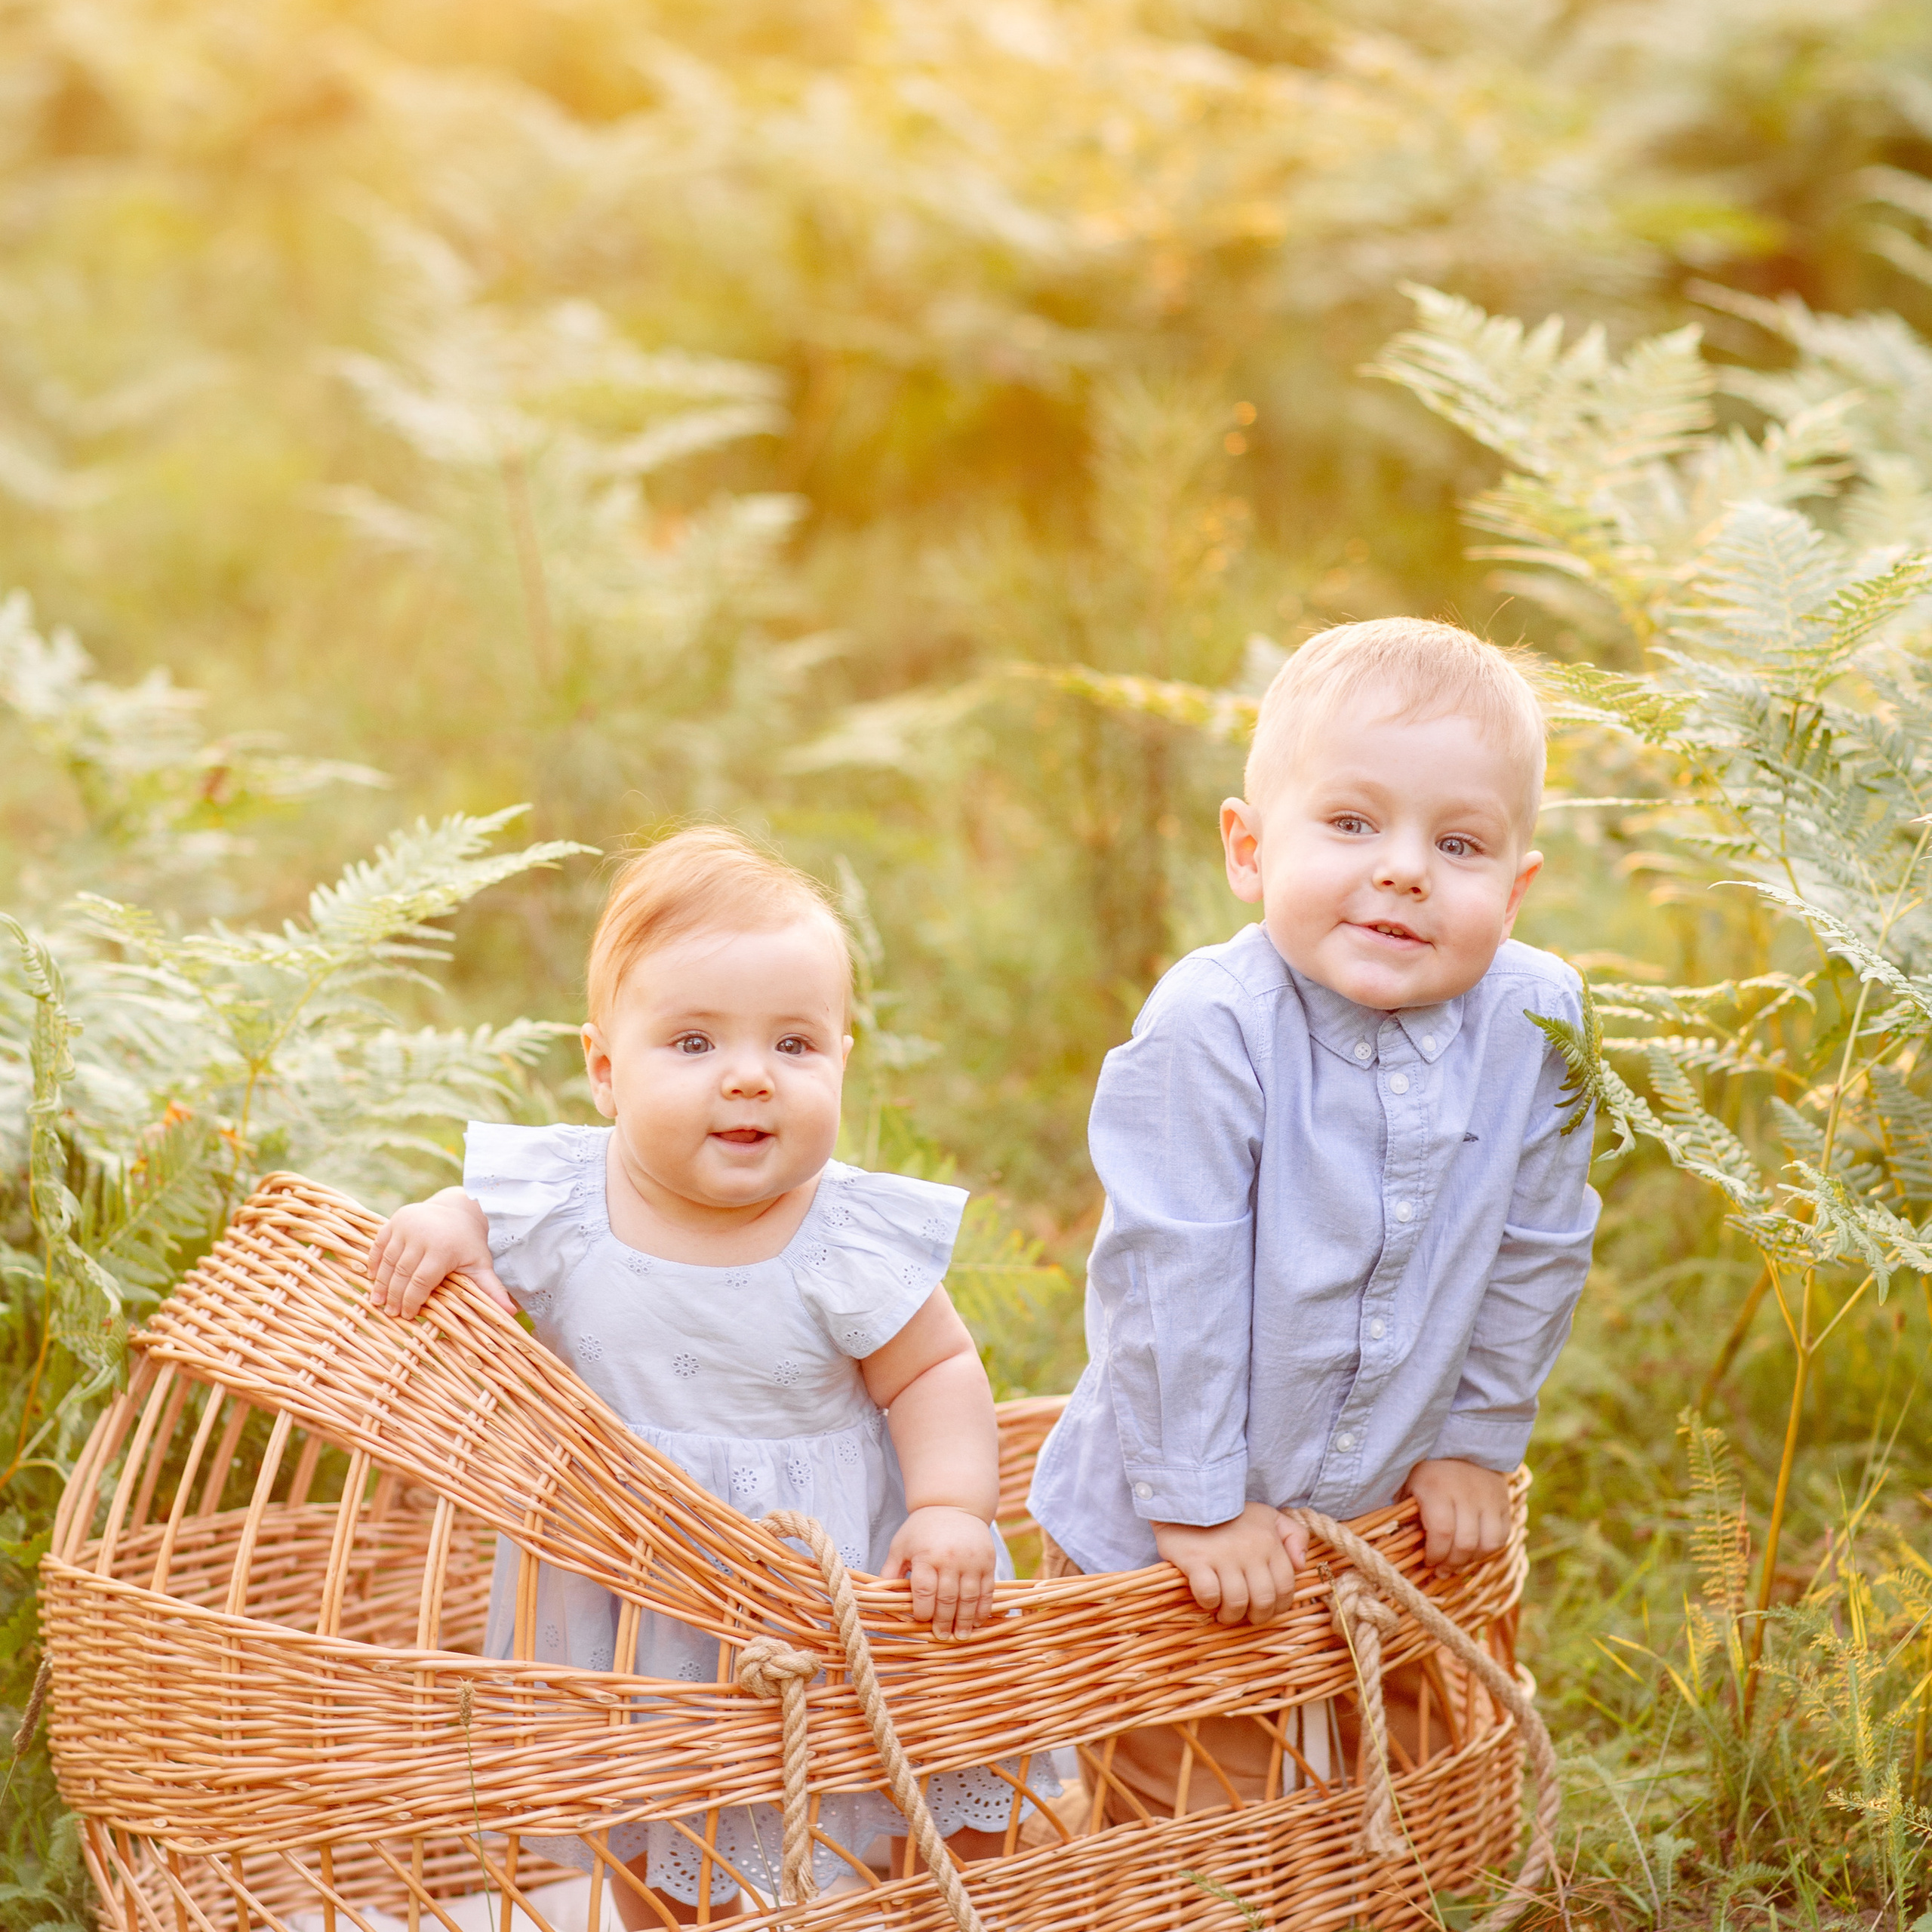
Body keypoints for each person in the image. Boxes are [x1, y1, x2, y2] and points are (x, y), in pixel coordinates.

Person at [366, 826, 1053, 1925]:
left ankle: (937, 1907)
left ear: (842, 1060)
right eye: (693, 1044)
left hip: (826, 1594)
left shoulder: (843, 1235)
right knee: (652, 1816)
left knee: (907, 1789)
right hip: (633, 1594)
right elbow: (474, 1222)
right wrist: (443, 1223)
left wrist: (951, 1509)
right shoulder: (563, 1199)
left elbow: (932, 1370)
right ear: (603, 1070)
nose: (748, 1077)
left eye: (793, 1044)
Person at [1026, 616, 1600, 1820]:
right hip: (1178, 1538)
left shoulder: (1536, 1018)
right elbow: (1164, 1278)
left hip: (1387, 1520)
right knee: (1219, 1842)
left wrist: (1477, 1443)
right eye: (1351, 824)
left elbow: (1538, 1247)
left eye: (1458, 843)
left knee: (1432, 1801)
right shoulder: (1214, 1026)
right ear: (1248, 847)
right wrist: (1198, 1501)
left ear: (1518, 883)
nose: (1403, 869)